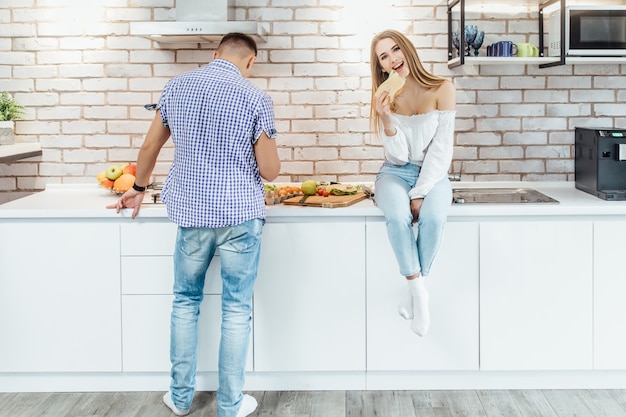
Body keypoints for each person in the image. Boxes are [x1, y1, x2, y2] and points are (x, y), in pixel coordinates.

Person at [108, 32, 280, 417]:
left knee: (185, 302)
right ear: (250, 62)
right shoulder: (256, 98)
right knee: (236, 310)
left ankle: (181, 399)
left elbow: (150, 147)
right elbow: (269, 171)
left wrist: (138, 188)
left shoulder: (178, 87)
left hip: (192, 217)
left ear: (215, 54)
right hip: (240, 216)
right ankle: (231, 406)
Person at [369, 29, 456, 337]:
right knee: (397, 215)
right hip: (394, 172)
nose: (392, 59)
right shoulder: (385, 98)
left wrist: (420, 192)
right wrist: (387, 119)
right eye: (384, 56)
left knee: (433, 218)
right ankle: (420, 293)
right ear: (381, 67)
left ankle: (411, 289)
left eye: (395, 50)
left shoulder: (442, 88)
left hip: (433, 173)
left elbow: (442, 149)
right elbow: (398, 156)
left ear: (407, 50)